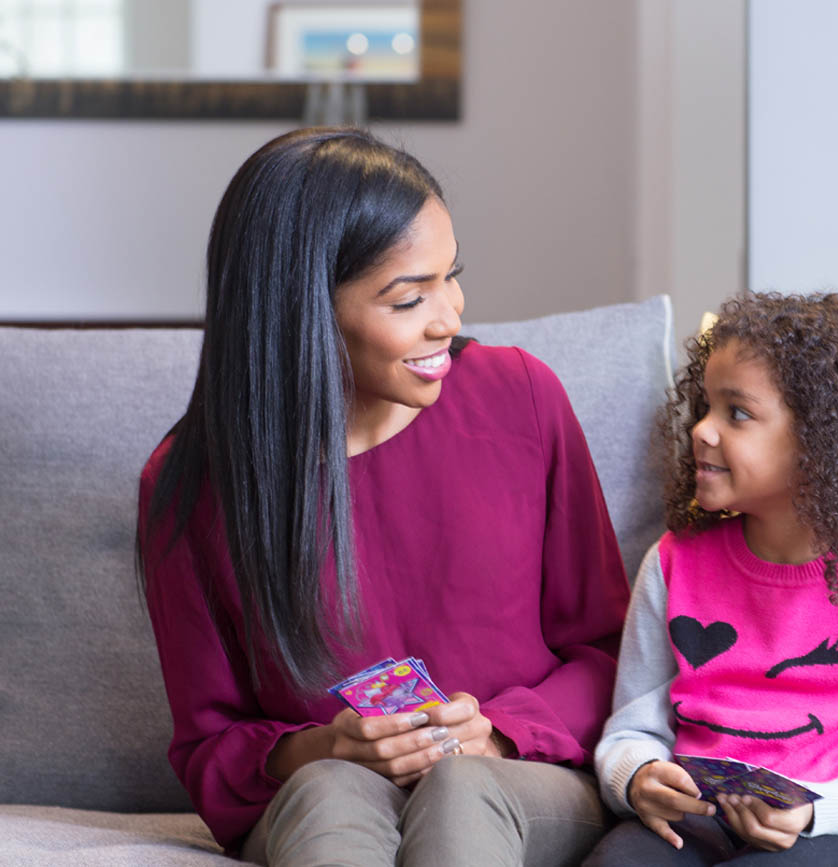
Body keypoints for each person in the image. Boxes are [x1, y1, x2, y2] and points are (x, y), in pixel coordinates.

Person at [137, 127, 630, 867]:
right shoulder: (193, 484)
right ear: (301, 313)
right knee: (332, 789)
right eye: (408, 298)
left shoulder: (520, 397)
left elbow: (610, 649)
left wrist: (494, 731)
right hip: (328, 795)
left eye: (450, 276)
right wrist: (323, 745)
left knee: (462, 787)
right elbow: (210, 745)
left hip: (520, 780)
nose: (450, 317)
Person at [586, 292, 838, 866]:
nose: (702, 431)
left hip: (831, 833)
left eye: (736, 413)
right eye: (705, 407)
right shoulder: (672, 562)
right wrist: (636, 775)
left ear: (820, 444)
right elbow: (631, 730)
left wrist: (815, 812)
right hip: (698, 825)